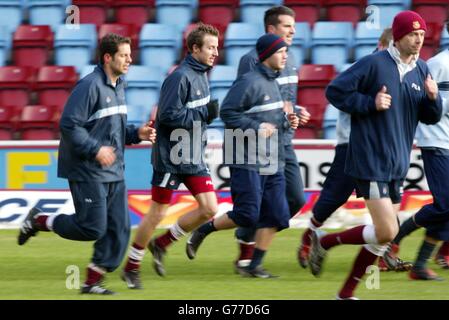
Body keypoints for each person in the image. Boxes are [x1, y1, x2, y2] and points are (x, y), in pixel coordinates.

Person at [309, 11, 442, 299]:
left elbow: (430, 118)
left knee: (385, 237)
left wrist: (433, 98)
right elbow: (335, 91)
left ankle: (344, 293)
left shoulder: (421, 71)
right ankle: (327, 242)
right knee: (386, 231)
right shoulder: (373, 63)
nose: (419, 40)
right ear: (398, 36)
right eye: (412, 34)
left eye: (421, 35)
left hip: (397, 162)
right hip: (369, 159)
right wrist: (370, 102)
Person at [17, 33, 157, 295]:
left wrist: (135, 133)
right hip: (87, 168)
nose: (129, 60)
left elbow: (110, 130)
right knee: (92, 227)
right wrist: (95, 150)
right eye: (124, 55)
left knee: (120, 228)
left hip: (113, 170)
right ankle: (40, 220)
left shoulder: (119, 85)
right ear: (107, 57)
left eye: (130, 55)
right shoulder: (89, 86)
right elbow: (69, 124)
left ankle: (92, 282)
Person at [186, 33, 299, 278]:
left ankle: (254, 266)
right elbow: (227, 113)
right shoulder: (248, 81)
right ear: (268, 54)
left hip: (272, 159)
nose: (285, 55)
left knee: (278, 215)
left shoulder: (275, 83)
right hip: (246, 157)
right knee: (248, 214)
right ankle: (203, 230)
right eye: (280, 52)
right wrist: (256, 127)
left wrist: (289, 120)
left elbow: (271, 118)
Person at [298, 28, 411, 272]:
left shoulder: (402, 70)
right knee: (336, 194)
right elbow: (339, 95)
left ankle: (383, 251)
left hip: (384, 147)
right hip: (353, 142)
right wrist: (371, 103)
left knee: (387, 200)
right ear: (382, 45)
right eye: (392, 44)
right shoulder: (367, 67)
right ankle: (310, 236)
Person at [121, 23, 220, 289]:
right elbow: (167, 116)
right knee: (156, 213)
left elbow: (191, 117)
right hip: (171, 158)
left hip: (192, 155)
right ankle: (131, 267)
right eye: (210, 47)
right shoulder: (180, 76)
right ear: (195, 48)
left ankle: (162, 243)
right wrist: (204, 115)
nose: (215, 53)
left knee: (210, 208)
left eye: (217, 48)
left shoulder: (202, 75)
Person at [233, 5, 310, 270]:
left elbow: (286, 101)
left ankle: (247, 236)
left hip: (284, 141)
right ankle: (250, 252)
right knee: (256, 206)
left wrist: (297, 112)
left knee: (297, 199)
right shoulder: (250, 60)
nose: (293, 31)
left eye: (293, 26)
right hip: (259, 145)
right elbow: (245, 103)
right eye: (287, 26)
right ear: (271, 29)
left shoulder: (292, 59)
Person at [381, 34, 449, 279]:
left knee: (446, 207)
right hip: (437, 140)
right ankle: (396, 237)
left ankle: (420, 265)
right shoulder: (439, 64)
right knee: (445, 204)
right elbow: (423, 103)